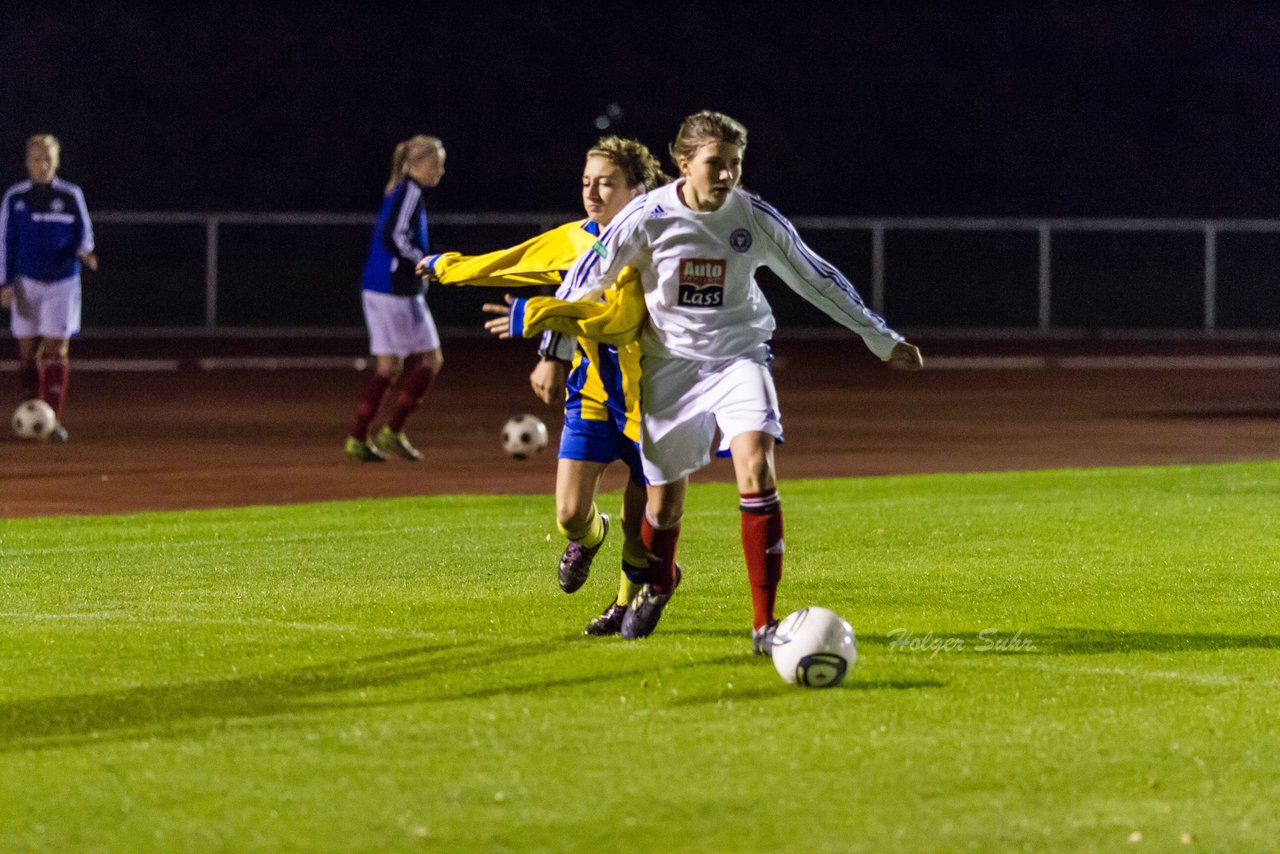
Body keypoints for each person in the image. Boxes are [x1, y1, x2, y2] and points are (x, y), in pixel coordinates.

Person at [484, 110, 923, 654]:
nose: (727, 176)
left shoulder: (754, 217)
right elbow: (587, 276)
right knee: (662, 508)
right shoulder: (646, 216)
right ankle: (661, 580)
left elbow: (817, 277)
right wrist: (550, 335)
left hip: (740, 357)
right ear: (684, 162)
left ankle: (764, 627)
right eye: (716, 164)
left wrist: (881, 338)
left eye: (735, 165)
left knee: (756, 467)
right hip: (669, 369)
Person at [418, 137, 669, 635]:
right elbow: (519, 261)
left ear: (638, 189)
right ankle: (589, 541)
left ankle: (625, 604)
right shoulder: (580, 238)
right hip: (595, 394)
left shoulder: (660, 245)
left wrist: (534, 315)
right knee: (571, 515)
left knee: (638, 531)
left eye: (606, 183)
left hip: (657, 402)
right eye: (586, 183)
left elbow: (618, 320)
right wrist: (449, 267)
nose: (593, 194)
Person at [346, 135, 447, 462]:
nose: (441, 171)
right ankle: (390, 432)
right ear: (419, 163)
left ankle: (360, 438)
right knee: (430, 361)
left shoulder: (400, 189)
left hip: (377, 286)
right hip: (395, 290)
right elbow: (394, 236)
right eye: (437, 164)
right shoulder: (410, 191)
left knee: (389, 367)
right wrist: (423, 261)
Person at [0, 134, 97, 442]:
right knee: (28, 350)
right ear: (27, 162)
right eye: (35, 159)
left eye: (47, 160)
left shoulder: (70, 195)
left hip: (62, 281)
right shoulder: (15, 197)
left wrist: (83, 250)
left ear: (56, 162)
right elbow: (5, 242)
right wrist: (4, 282)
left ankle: (52, 418)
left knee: (58, 348)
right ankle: (31, 406)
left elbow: (85, 235)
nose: (41, 165)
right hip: (26, 282)